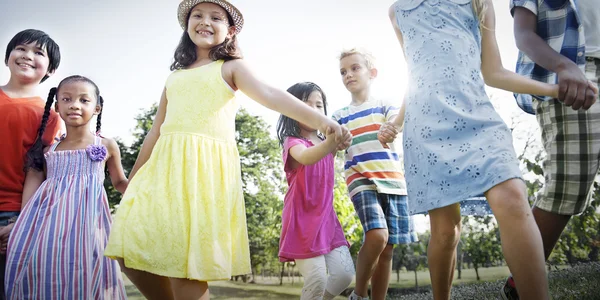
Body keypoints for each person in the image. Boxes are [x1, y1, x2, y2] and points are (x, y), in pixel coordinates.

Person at [104, 1, 351, 299]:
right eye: (197, 15)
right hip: (161, 173)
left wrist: (323, 121)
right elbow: (155, 131)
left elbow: (272, 95)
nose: (205, 22)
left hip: (201, 176)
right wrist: (134, 179)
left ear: (230, 31)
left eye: (215, 18)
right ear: (187, 25)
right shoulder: (175, 77)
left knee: (186, 272)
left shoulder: (231, 68)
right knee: (126, 249)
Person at [382, 0, 564, 298]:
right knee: (445, 231)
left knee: (513, 197)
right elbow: (416, 72)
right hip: (427, 127)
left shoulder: (479, 2)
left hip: (478, 117)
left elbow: (493, 72)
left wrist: (553, 89)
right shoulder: (398, 11)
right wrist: (397, 122)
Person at [500, 1, 600, 298]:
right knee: (569, 186)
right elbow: (523, 34)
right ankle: (522, 281)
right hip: (571, 75)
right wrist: (563, 66)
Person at [4, 75, 128, 299]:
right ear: (57, 107)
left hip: (90, 224)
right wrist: (19, 225)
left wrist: (147, 191)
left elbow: (119, 182)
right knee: (48, 274)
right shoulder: (49, 151)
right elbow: (33, 197)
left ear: (97, 107)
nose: (74, 105)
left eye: (84, 100)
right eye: (67, 99)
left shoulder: (106, 145)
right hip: (48, 227)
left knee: (91, 274)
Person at [333, 49, 417, 300]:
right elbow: (334, 140)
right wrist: (337, 140)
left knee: (387, 248)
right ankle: (359, 295)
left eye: (355, 68)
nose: (348, 74)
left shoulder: (384, 104)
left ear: (372, 73)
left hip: (392, 181)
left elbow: (396, 121)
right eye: (343, 72)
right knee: (377, 235)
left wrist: (392, 128)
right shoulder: (340, 116)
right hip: (361, 180)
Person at [276, 82, 355, 300]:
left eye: (319, 105)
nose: (313, 109)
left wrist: (339, 141)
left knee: (344, 274)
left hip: (327, 220)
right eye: (305, 104)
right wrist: (331, 142)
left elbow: (329, 156)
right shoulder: (292, 142)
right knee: (317, 278)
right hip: (301, 221)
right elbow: (308, 158)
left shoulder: (325, 142)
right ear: (290, 109)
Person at [0, 29, 61, 300]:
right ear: (8, 56)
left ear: (51, 69)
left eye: (39, 53)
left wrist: (22, 222)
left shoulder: (50, 117)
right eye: (21, 48)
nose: (27, 56)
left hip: (13, 216)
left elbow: (39, 172)